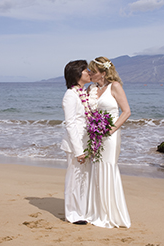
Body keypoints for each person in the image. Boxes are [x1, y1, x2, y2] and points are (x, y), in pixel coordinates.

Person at [86, 56, 131, 228]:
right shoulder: (91, 88)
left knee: (107, 167)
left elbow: (126, 112)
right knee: (96, 169)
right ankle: (96, 211)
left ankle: (109, 213)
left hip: (110, 136)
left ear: (103, 73)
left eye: (93, 71)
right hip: (95, 136)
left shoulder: (115, 86)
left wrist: (111, 130)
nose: (90, 74)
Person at [61, 60, 92, 225]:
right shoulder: (70, 96)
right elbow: (71, 124)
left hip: (86, 143)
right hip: (75, 145)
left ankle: (82, 211)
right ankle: (72, 214)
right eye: (86, 70)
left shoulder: (84, 93)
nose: (89, 73)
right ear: (77, 74)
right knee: (74, 179)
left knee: (83, 179)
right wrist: (78, 150)